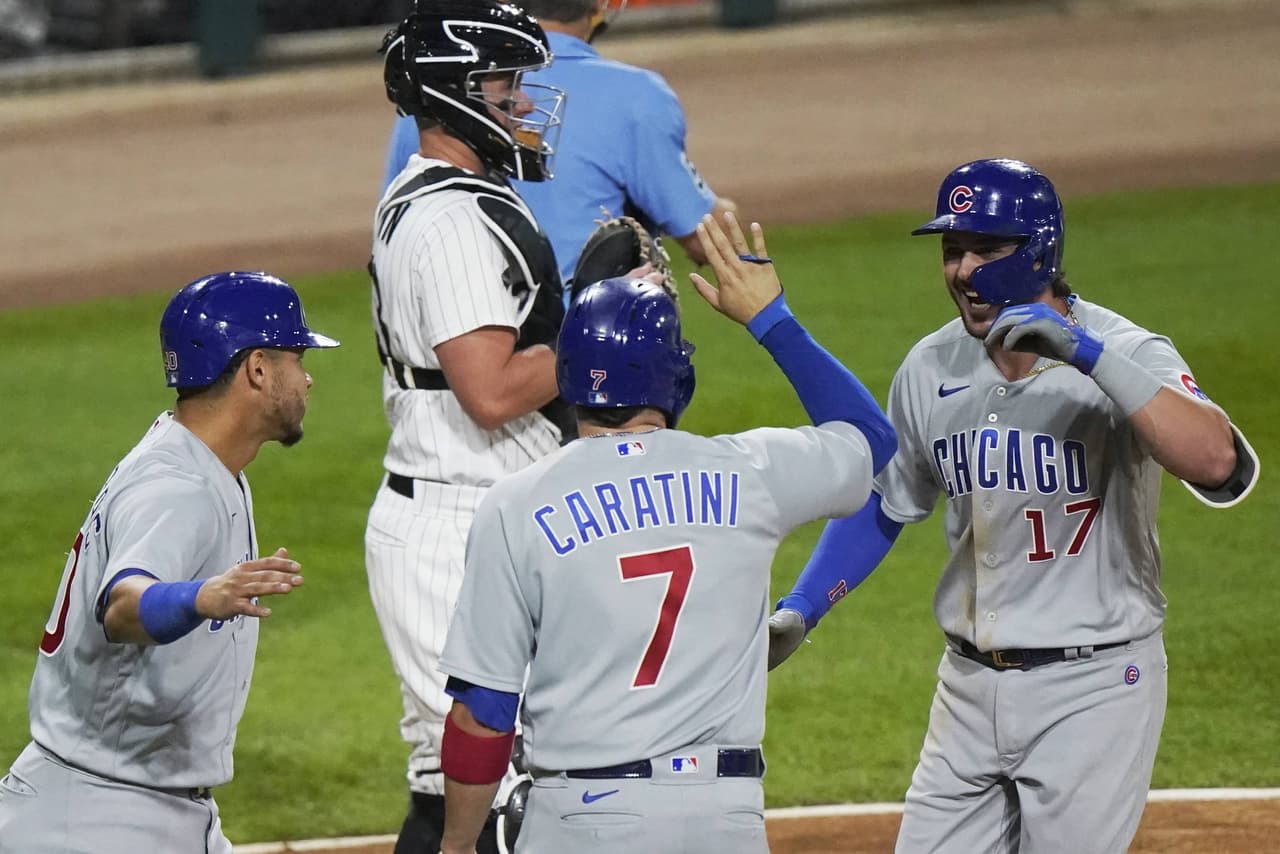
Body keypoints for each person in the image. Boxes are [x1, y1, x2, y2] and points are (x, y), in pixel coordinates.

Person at [768, 158, 1260, 854]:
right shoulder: (931, 366)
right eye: (951, 251)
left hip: (1093, 689)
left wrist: (1089, 358)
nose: (963, 272)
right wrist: (803, 606)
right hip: (967, 689)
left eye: (985, 251)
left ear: (1039, 251)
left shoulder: (1126, 351)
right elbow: (886, 502)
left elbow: (1217, 463)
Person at [433, 212, 898, 854]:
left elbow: (483, 711)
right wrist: (771, 319)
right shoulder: (752, 472)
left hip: (583, 819)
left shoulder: (515, 506)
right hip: (723, 818)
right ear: (675, 373)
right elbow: (872, 440)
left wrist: (456, 845)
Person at [0, 271, 339, 854]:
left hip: (129, 805)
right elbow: (123, 606)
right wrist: (199, 597)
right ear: (258, 368)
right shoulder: (178, 487)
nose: (307, 378)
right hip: (100, 820)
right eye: (297, 358)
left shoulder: (202, 462)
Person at [367, 3, 574, 852]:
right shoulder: (452, 221)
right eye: (502, 84)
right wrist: (600, 330)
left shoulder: (446, 196)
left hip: (474, 508)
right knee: (498, 792)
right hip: (455, 522)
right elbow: (490, 392)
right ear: (449, 93)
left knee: (459, 786)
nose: (520, 102)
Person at [380, 0, 736, 288]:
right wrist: (723, 212)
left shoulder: (434, 98)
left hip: (450, 338)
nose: (524, 103)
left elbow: (396, 247)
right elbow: (707, 241)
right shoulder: (637, 95)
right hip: (584, 342)